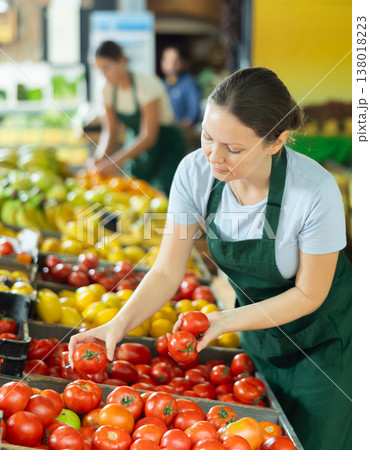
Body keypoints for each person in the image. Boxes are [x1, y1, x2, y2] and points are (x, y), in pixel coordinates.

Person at [70, 67, 351, 450]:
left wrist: (224, 320)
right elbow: (168, 270)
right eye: (207, 136)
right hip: (260, 338)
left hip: (324, 346)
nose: (214, 158)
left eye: (234, 149)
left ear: (276, 141)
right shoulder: (194, 173)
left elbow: (308, 295)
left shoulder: (315, 192)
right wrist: (116, 326)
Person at [88, 40, 186, 195]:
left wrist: (114, 163)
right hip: (138, 148)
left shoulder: (146, 84)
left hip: (166, 147)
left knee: (163, 196)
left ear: (122, 61)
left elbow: (148, 135)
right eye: (99, 69)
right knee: (136, 194)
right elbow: (110, 131)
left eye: (107, 68)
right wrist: (99, 159)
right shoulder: (106, 90)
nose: (103, 75)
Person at [161, 46, 201, 127]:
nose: (172, 64)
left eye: (175, 60)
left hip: (184, 132)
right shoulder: (161, 84)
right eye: (168, 60)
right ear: (162, 63)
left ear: (182, 62)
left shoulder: (189, 82)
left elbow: (193, 113)